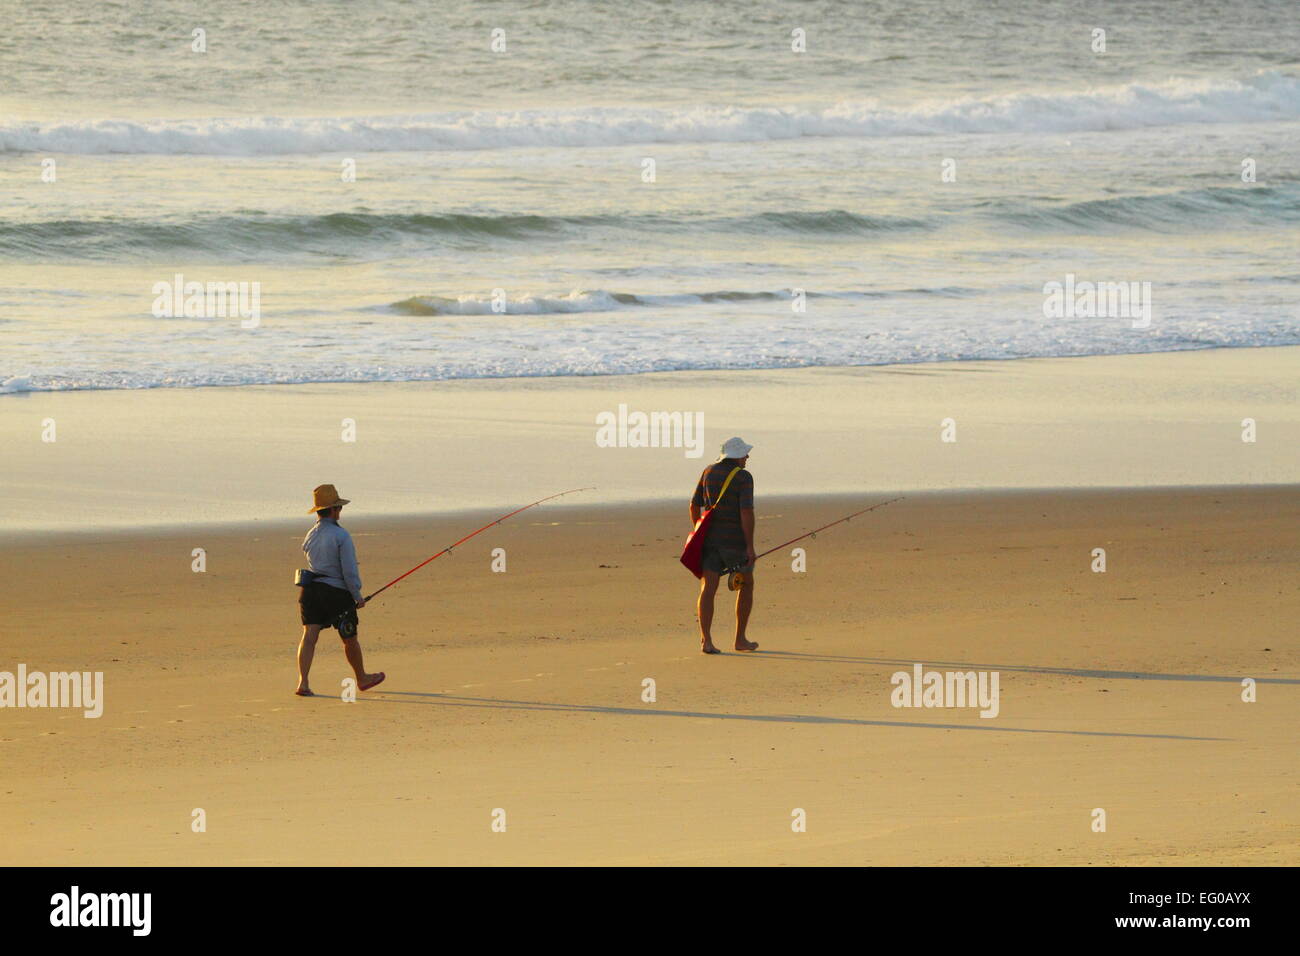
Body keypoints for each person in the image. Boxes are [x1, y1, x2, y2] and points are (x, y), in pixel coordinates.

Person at [295, 484, 385, 696]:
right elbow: (349, 572)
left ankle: (303, 683)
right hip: (336, 593)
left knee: (309, 636)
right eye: (339, 508)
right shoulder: (341, 536)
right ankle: (362, 678)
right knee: (349, 637)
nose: (340, 512)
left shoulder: (310, 535)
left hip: (310, 591)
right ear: (334, 510)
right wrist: (357, 596)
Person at [689, 437, 759, 654]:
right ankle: (740, 640)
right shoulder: (744, 478)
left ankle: (706, 641)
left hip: (709, 542)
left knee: (708, 589)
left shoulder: (708, 472)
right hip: (734, 542)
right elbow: (746, 512)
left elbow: (694, 505)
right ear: (736, 456)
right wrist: (749, 546)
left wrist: (699, 532)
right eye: (744, 454)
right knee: (746, 585)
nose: (747, 457)